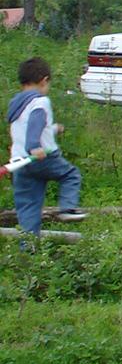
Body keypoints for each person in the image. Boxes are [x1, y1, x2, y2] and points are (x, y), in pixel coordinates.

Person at [7, 57, 85, 240]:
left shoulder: (16, 104)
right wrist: (34, 146)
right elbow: (35, 123)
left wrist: (53, 128)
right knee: (70, 175)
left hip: (19, 162)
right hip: (42, 157)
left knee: (28, 206)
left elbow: (28, 125)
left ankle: (28, 251)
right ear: (44, 80)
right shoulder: (40, 102)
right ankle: (67, 209)